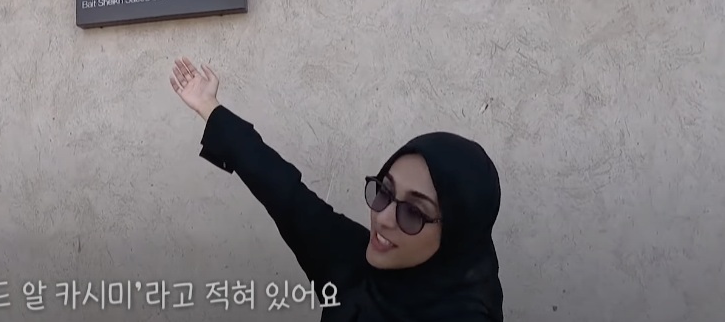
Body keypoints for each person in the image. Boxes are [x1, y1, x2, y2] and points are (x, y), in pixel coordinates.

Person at [169, 57, 504, 321]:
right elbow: (286, 195)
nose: (384, 218)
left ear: (457, 235)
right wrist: (209, 107)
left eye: (413, 213)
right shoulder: (357, 263)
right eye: (384, 192)